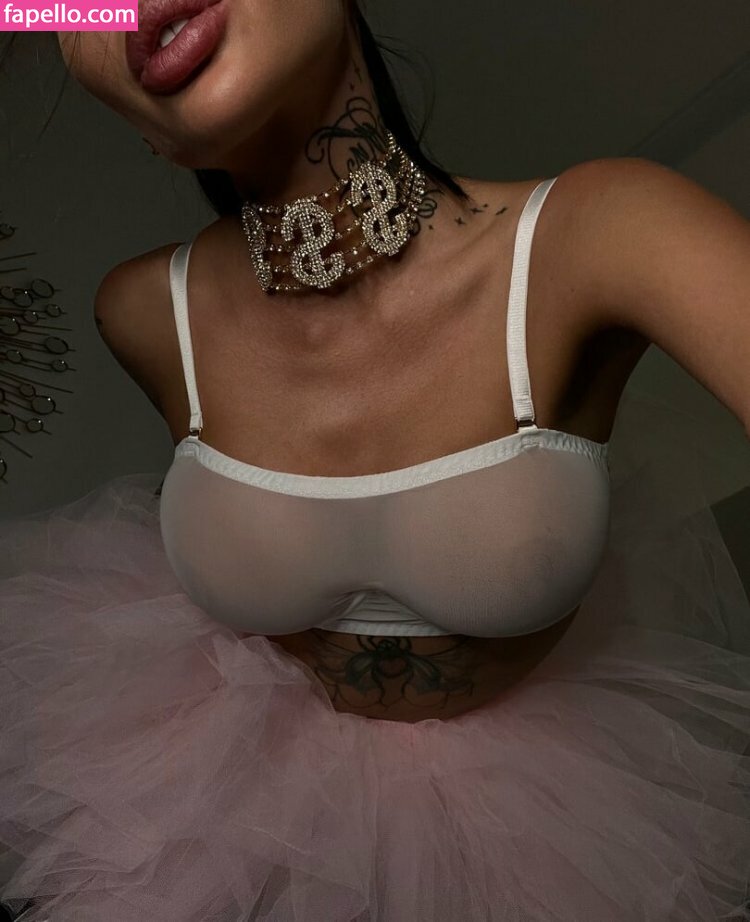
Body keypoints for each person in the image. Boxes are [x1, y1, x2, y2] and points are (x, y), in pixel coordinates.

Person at [1, 3, 749, 919]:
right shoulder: (145, 315)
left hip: (548, 841)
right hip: (232, 829)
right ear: (141, 131)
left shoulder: (604, 232)